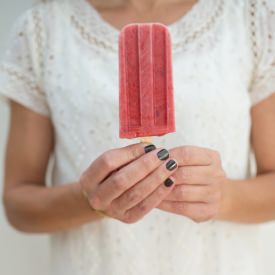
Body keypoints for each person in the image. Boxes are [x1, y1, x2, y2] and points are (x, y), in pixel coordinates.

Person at [1, 0, 275, 274]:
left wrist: (224, 196)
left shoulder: (251, 18)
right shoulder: (42, 29)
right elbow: (18, 204)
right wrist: (89, 200)